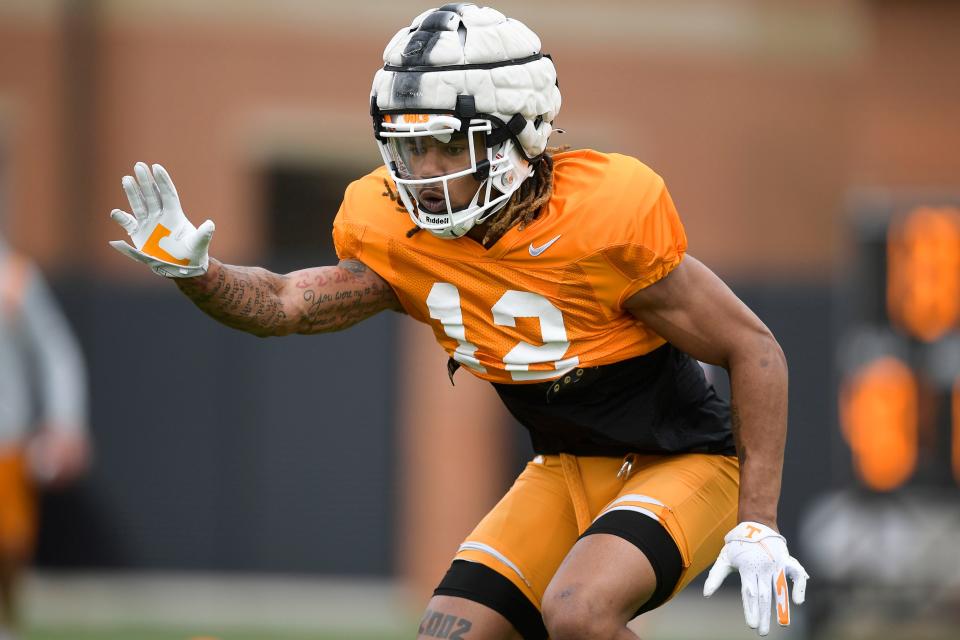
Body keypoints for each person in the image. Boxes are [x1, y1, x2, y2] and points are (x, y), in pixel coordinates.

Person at [108, 4, 808, 638]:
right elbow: (287, 304)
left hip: (681, 461)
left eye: (448, 144)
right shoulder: (389, 229)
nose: (424, 170)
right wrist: (200, 274)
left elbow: (753, 347)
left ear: (520, 132)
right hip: (562, 469)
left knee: (579, 612)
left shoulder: (603, 219)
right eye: (409, 146)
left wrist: (760, 521)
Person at [0, 233, 90, 639]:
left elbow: (56, 352)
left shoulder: (13, 275)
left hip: (6, 437)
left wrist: (66, 422)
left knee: (10, 545)